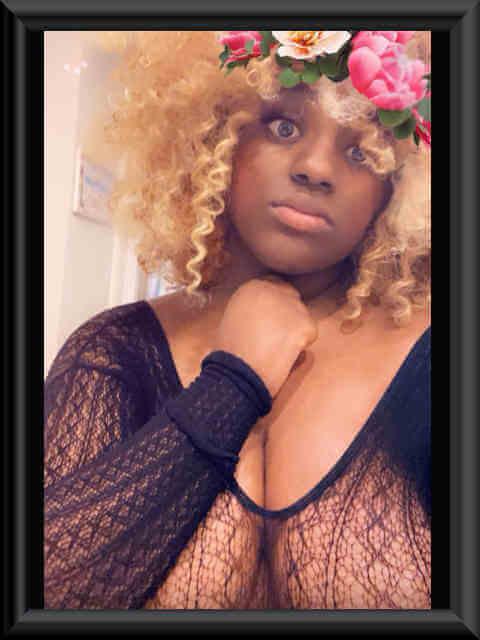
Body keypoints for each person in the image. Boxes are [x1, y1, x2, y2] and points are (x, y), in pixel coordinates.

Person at [44, 30, 431, 609]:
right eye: (283, 126)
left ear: (395, 186)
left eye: (360, 152)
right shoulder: (113, 350)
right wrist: (231, 384)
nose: (316, 168)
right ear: (213, 137)